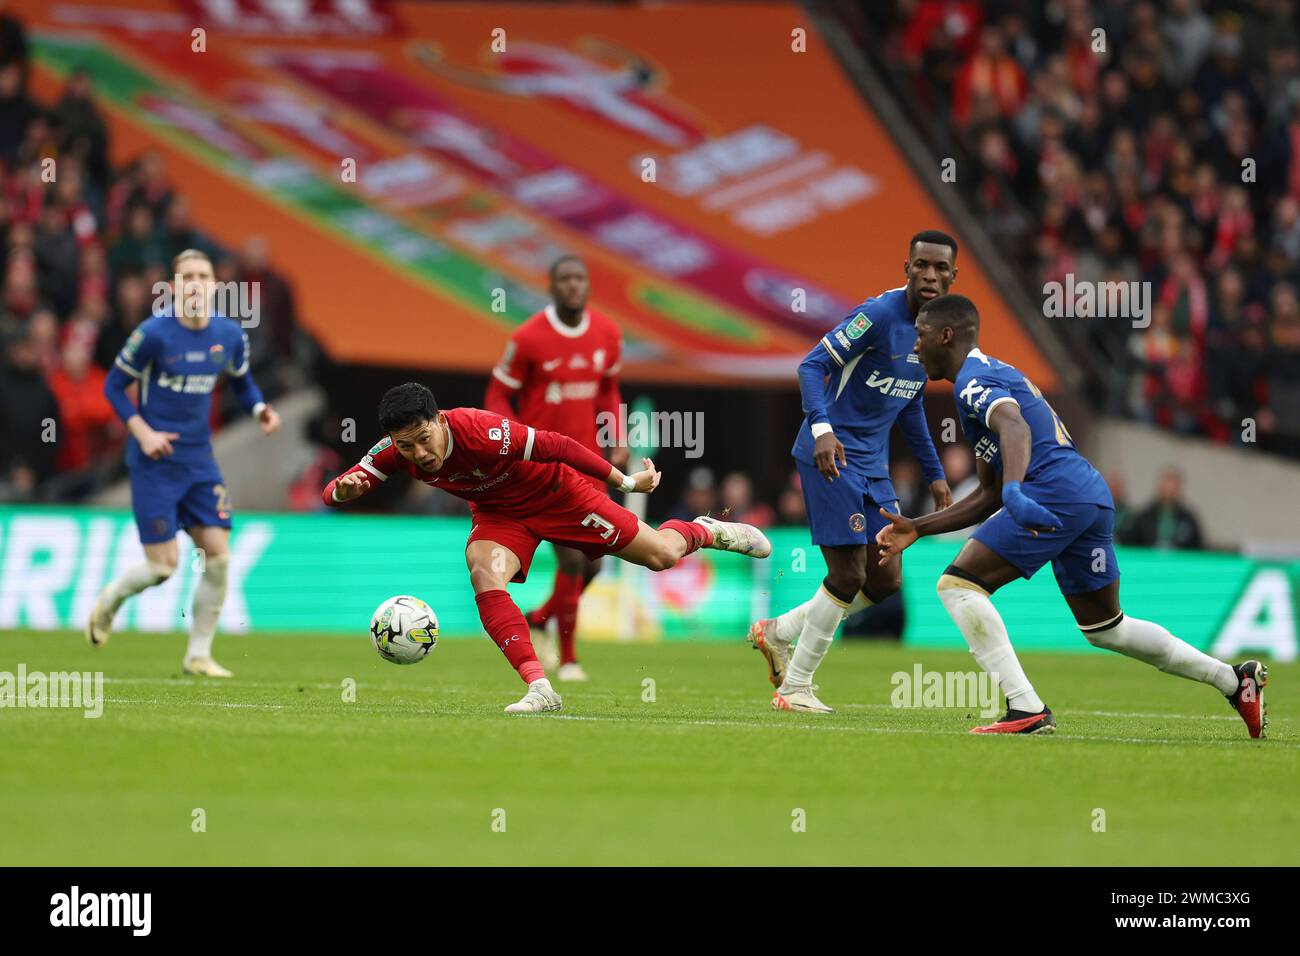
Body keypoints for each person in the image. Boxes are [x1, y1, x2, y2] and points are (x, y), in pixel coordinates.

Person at [876, 294, 1266, 737]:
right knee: (1107, 628)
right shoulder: (992, 375)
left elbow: (1015, 426)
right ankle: (1234, 680)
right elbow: (987, 494)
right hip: (1087, 495)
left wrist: (1017, 491)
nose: (915, 348)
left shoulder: (972, 381)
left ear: (946, 335)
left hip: (1054, 493)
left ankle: (1025, 708)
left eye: (921, 336)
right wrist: (919, 527)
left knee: (958, 586)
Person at [324, 382, 771, 714]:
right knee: (482, 570)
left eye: (424, 439)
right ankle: (540, 687)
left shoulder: (481, 431)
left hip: (559, 497)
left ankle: (705, 531)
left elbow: (556, 445)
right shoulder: (394, 451)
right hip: (501, 515)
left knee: (662, 556)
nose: (419, 453)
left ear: (440, 420)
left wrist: (624, 481)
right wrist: (342, 493)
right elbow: (340, 488)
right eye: (408, 446)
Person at [746, 230, 955, 713]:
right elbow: (810, 365)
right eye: (920, 265)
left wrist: (934, 473)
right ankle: (796, 687)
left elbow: (910, 404)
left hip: (873, 465)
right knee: (848, 572)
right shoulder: (877, 316)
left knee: (884, 579)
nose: (929, 275)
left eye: (939, 268)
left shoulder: (935, 331)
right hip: (830, 456)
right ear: (906, 267)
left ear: (952, 277)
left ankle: (780, 632)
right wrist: (821, 429)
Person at [87, 249, 281, 676]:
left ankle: (198, 655)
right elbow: (114, 387)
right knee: (162, 567)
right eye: (187, 277)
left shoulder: (229, 336)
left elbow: (242, 382)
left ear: (214, 286)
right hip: (155, 461)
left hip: (199, 460)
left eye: (203, 276)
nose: (195, 284)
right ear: (174, 287)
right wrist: (143, 432)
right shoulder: (154, 334)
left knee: (219, 555)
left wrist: (259, 410)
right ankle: (112, 599)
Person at [483, 255, 624, 681]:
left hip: (590, 463)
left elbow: (609, 390)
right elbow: (496, 395)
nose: (573, 286)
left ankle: (542, 617)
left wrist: (615, 437)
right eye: (564, 279)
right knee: (574, 560)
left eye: (580, 278)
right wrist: (508, 441)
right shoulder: (528, 338)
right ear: (551, 286)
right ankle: (568, 657)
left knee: (598, 561)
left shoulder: (607, 333)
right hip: (544, 467)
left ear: (588, 286)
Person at [1123, 467, 1204, 549]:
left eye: (1174, 487)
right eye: (1167, 486)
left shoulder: (1188, 519)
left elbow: (1198, 546)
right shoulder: (1144, 517)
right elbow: (1131, 543)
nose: (1170, 490)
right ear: (1159, 487)